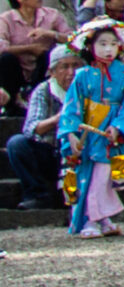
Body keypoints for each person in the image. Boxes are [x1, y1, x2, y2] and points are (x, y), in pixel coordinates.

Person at [62, 16, 124, 237]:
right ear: (90, 46)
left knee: (103, 177)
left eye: (112, 43)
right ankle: (95, 219)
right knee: (88, 176)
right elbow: (71, 106)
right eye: (102, 44)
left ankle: (97, 218)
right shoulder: (82, 76)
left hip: (111, 134)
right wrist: (70, 133)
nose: (109, 49)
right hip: (87, 133)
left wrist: (118, 126)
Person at [9, 43, 77, 210]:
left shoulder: (86, 88)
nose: (71, 72)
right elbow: (31, 128)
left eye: (75, 66)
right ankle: (37, 195)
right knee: (17, 144)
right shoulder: (43, 90)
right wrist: (57, 119)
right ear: (52, 72)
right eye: (64, 67)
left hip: (78, 151)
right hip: (50, 151)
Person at [1, 0, 72, 109]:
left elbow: (73, 39)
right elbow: (1, 46)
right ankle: (12, 105)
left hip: (43, 68)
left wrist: (51, 34)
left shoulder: (52, 15)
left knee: (50, 55)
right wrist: (29, 49)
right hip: (17, 69)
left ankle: (39, 99)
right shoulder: (5, 19)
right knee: (6, 59)